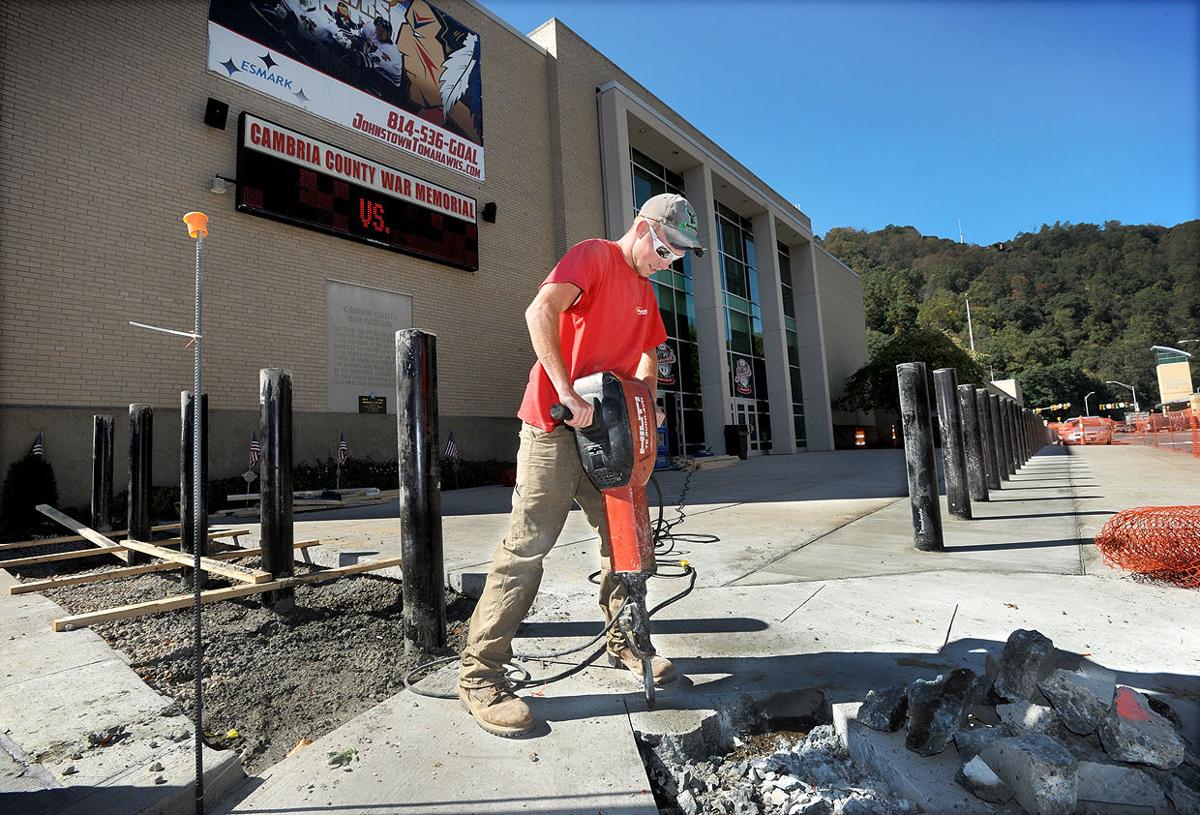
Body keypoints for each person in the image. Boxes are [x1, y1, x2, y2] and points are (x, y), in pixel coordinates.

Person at [458, 194, 706, 737]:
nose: (668, 263)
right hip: (555, 422)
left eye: (678, 258)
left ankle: (624, 640)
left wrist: (645, 397)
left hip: (609, 428)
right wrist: (567, 392)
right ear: (643, 228)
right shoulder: (593, 256)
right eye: (665, 250)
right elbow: (539, 311)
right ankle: (480, 675)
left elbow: (647, 352)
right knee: (528, 545)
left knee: (625, 541)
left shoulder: (645, 292)